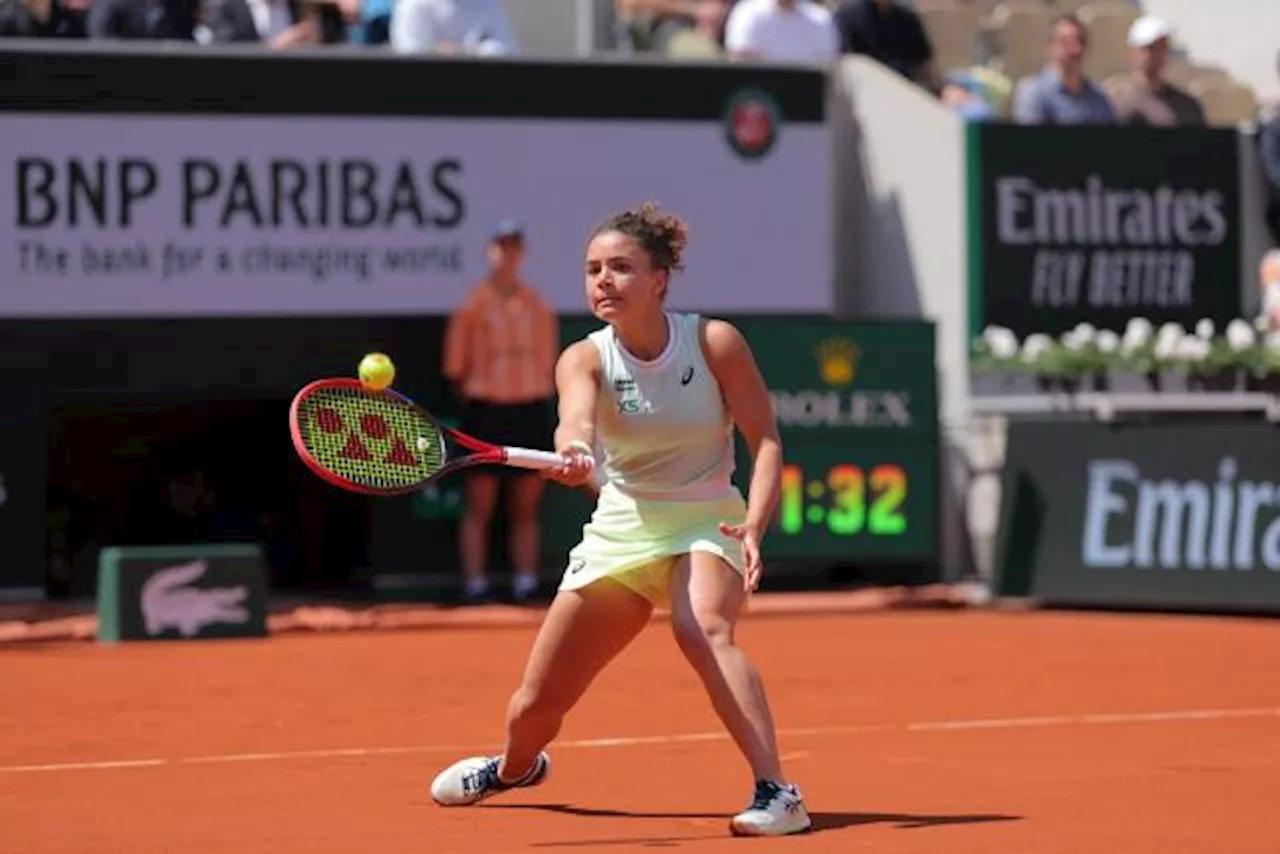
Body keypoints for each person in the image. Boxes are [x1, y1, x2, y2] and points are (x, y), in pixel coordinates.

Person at [429, 203, 810, 837]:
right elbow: (574, 418)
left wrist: (755, 525)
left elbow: (766, 438)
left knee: (702, 629)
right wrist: (575, 448)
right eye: (593, 269)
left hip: (705, 518)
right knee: (533, 708)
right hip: (623, 528)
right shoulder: (584, 357)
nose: (604, 280)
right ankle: (516, 769)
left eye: (621, 268)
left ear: (660, 278)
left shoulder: (714, 342)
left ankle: (779, 793)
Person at [443, 221, 558, 603]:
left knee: (527, 505)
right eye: (500, 246)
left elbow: (549, 364)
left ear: (521, 254)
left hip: (530, 410)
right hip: (487, 412)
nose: (506, 254)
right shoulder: (472, 304)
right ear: (489, 251)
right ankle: (474, 584)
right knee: (480, 503)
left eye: (513, 247)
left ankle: (526, 581)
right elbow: (455, 369)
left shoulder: (538, 304)